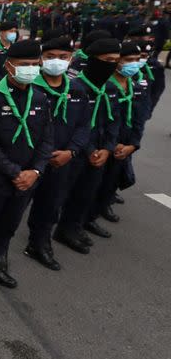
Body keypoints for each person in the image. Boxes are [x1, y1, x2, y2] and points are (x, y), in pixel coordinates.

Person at [0, 40, 54, 289]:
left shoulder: (40, 98)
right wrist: (15, 171)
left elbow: (47, 139)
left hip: (27, 181)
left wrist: (36, 171)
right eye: (22, 65)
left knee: (8, 227)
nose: (29, 69)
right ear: (8, 66)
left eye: (33, 64)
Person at [25, 35, 91, 268]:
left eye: (62, 57)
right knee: (10, 212)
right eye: (50, 57)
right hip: (30, 162)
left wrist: (71, 152)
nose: (56, 61)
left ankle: (39, 244)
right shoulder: (29, 87)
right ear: (41, 60)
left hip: (61, 160)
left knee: (51, 205)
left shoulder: (77, 90)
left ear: (71, 59)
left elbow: (84, 125)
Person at [55, 39, 121, 249]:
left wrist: (107, 148)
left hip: (101, 152)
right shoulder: (74, 88)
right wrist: (90, 150)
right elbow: (75, 125)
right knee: (63, 194)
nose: (112, 65)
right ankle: (59, 231)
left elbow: (114, 121)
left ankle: (75, 226)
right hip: (77, 151)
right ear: (93, 61)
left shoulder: (110, 88)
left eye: (115, 61)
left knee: (87, 193)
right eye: (107, 60)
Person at [87, 41, 151, 232]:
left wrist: (133, 144)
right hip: (105, 145)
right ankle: (82, 219)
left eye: (137, 60)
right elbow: (100, 121)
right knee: (92, 186)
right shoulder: (105, 86)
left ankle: (96, 212)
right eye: (128, 60)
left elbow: (140, 118)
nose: (134, 64)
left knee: (111, 183)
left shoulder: (138, 84)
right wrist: (108, 145)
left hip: (126, 144)